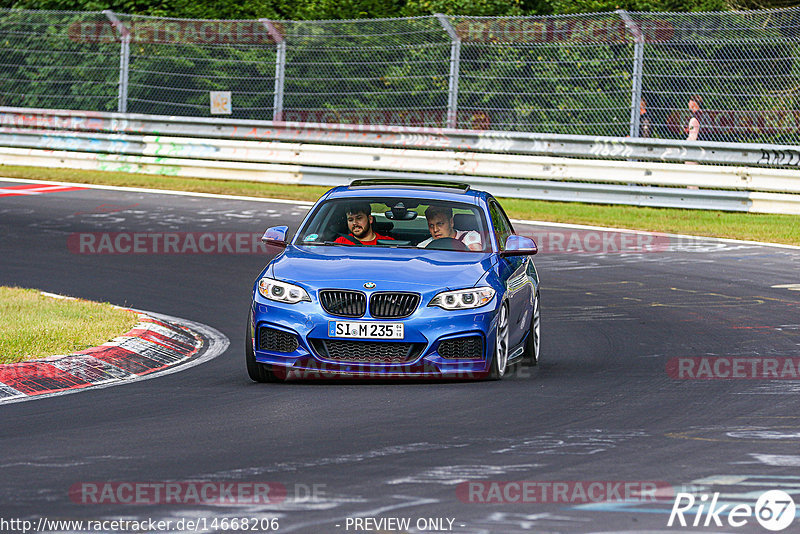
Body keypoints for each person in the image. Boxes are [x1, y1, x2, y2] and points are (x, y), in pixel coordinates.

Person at [417, 206, 482, 251]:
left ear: (451, 222)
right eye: (431, 225)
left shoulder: (472, 238)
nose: (435, 230)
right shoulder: (423, 247)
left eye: (440, 224)